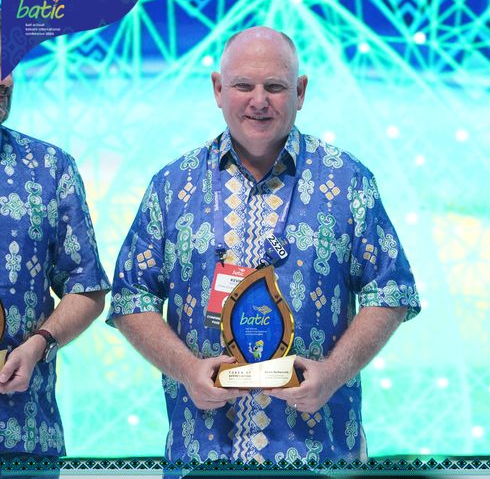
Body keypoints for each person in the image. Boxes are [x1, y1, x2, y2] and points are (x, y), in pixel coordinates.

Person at [107, 26, 420, 465]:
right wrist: (187, 370)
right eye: (243, 86)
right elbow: (130, 298)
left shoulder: (348, 180)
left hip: (320, 456)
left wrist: (332, 374)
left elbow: (391, 292)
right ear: (218, 89)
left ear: (300, 91)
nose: (259, 101)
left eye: (274, 87)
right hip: (202, 456)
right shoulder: (171, 185)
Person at [0, 67, 111, 461]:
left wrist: (40, 344)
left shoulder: (50, 167)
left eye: (8, 66)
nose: (5, 82)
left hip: (25, 438)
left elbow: (87, 288)